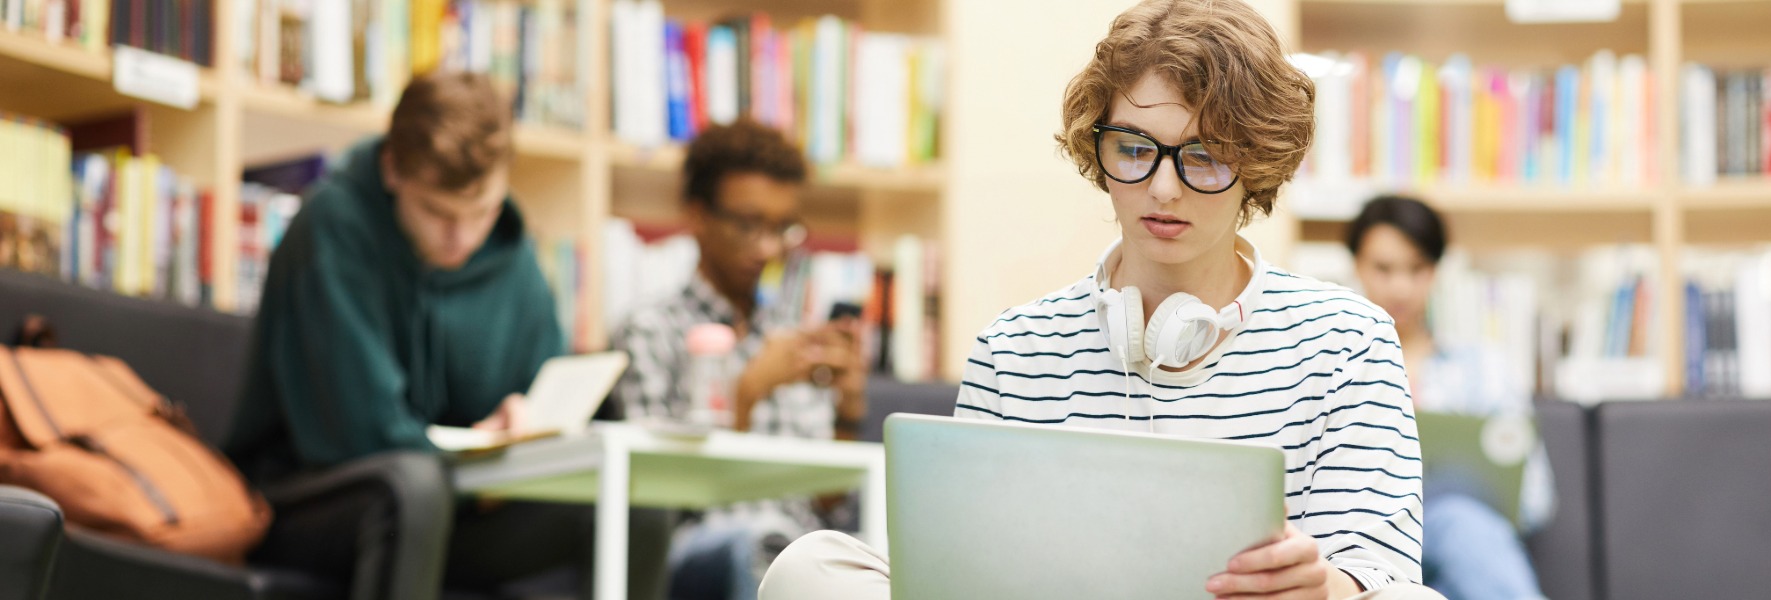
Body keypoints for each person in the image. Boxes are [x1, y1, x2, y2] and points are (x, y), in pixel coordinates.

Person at [759, 0, 1445, 598]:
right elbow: (958, 561)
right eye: (1134, 147)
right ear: (1099, 150)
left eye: (1203, 155)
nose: (1164, 188)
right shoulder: (1014, 346)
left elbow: (1377, 561)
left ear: (1256, 164)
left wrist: (1322, 585)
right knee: (808, 566)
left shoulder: (1349, 339)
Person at [225, 72, 671, 600]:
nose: (460, 239)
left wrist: (528, 429)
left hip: (456, 498)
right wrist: (483, 473)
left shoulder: (512, 250)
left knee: (638, 506)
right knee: (413, 488)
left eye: (479, 212)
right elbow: (359, 435)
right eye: (435, 212)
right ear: (392, 170)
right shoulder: (330, 227)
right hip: (307, 499)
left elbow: (546, 398)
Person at [606, 120, 868, 600]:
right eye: (748, 224)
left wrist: (848, 411)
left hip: (799, 553)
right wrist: (745, 393)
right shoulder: (649, 329)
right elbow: (660, 498)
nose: (767, 248)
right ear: (698, 215)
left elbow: (825, 506)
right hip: (699, 546)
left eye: (782, 228)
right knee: (758, 543)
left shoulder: (791, 339)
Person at [1345, 196, 1554, 600]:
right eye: (1384, 268)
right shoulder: (1334, 365)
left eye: (1417, 268)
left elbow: (1535, 498)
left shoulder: (1485, 370)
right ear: (1356, 266)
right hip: (1359, 543)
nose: (1401, 286)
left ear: (1437, 271)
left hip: (1462, 543)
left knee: (1460, 529)